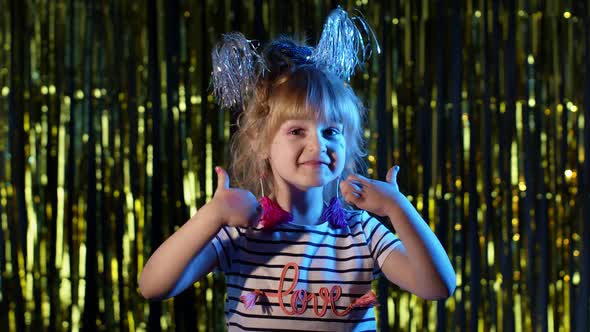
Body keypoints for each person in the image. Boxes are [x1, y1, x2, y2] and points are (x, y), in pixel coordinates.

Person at [139, 7, 455, 331]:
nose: (319, 145)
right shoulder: (242, 232)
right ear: (262, 142)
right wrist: (213, 215)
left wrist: (397, 206)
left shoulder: (360, 232)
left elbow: (437, 286)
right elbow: (153, 286)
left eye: (331, 132)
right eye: (296, 131)